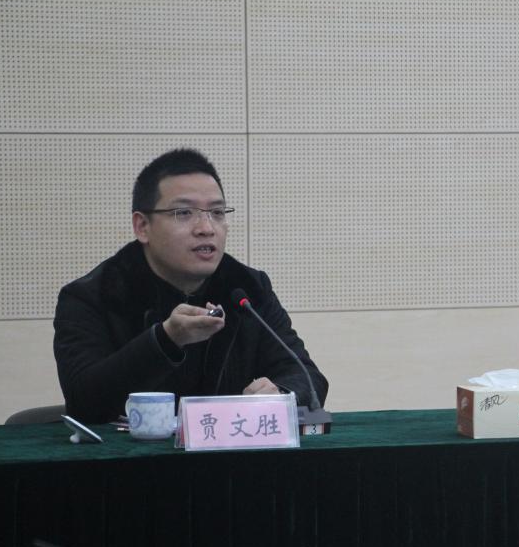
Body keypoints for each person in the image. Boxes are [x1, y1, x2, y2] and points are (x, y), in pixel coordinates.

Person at [54, 148, 328, 423]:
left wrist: (281, 394)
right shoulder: (92, 297)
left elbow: (307, 377)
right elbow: (83, 402)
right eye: (184, 213)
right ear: (142, 226)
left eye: (217, 212)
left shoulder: (247, 288)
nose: (206, 228)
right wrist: (165, 340)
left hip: (230, 447)